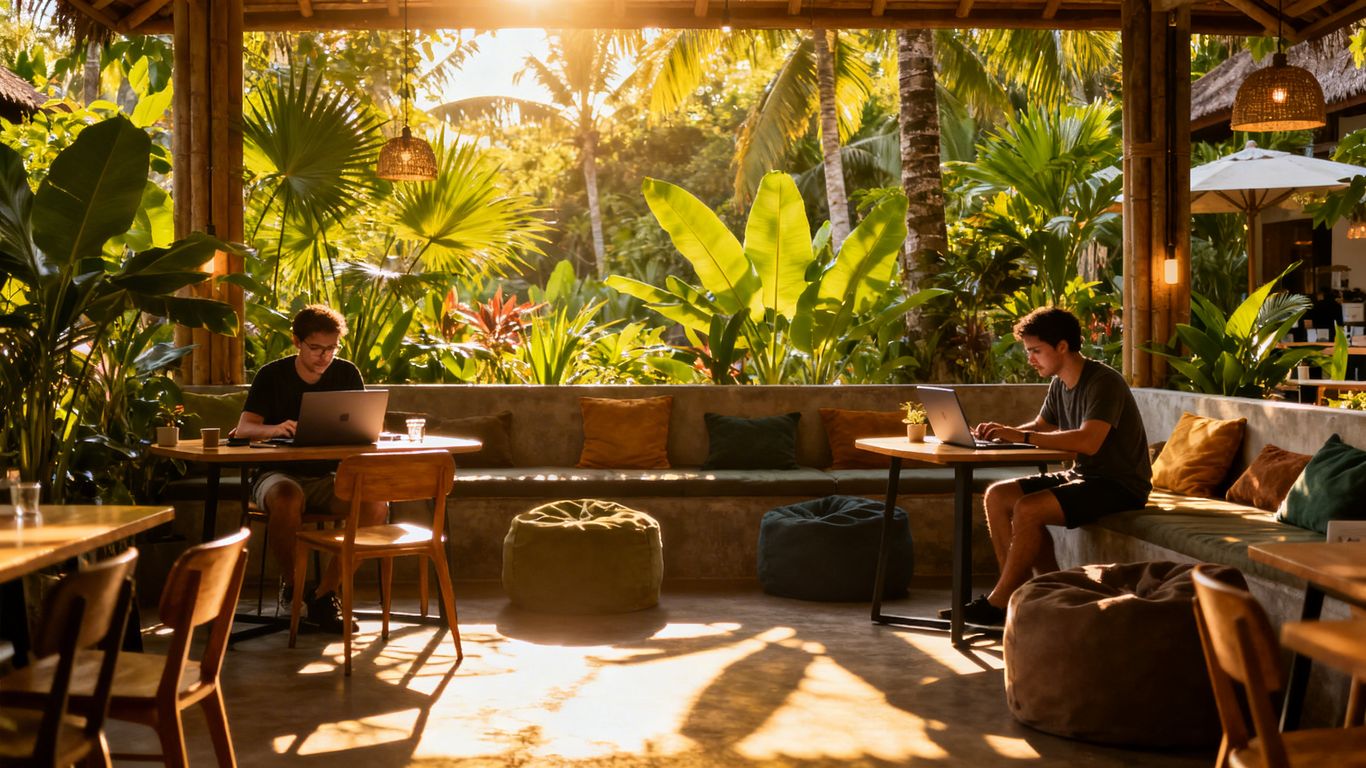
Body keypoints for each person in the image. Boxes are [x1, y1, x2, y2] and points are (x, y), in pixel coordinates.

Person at [963, 306, 1151, 628]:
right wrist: (999, 436)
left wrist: (1020, 435)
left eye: (1036, 351)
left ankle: (1003, 602)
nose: (1030, 359)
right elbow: (1042, 426)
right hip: (1083, 476)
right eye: (1029, 351)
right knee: (997, 496)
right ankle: (1027, 596)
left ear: (1062, 346)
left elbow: (1089, 441)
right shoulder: (1059, 384)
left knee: (1028, 509)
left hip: (1119, 484)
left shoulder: (1103, 382)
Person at [233, 304, 387, 632]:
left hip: (328, 476)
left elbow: (360, 427)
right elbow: (243, 429)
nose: (324, 356)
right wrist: (276, 429)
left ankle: (323, 594)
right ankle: (294, 587)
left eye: (331, 348)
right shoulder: (272, 375)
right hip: (277, 475)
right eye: (316, 348)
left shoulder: (346, 374)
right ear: (296, 342)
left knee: (375, 506)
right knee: (287, 498)